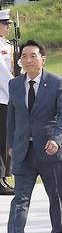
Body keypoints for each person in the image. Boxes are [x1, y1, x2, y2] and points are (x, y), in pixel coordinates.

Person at [0, 40, 62, 233]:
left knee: (57, 196)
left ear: (43, 59)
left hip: (50, 150)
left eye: (33, 56)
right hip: (23, 151)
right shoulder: (14, 84)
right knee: (20, 198)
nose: (28, 60)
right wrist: (11, 144)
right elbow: (12, 117)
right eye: (24, 57)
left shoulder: (57, 83)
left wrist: (56, 139)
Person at [0, 10, 15, 195]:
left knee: (6, 139)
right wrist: (16, 91)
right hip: (3, 97)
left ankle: (4, 177)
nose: (8, 27)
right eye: (5, 24)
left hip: (6, 97)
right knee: (2, 140)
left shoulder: (7, 44)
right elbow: (3, 74)